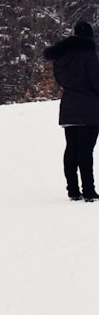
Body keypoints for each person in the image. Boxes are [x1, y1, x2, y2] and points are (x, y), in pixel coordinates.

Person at [43, 20, 99, 201]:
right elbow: (95, 80)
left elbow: (59, 79)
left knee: (71, 148)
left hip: (68, 105)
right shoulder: (88, 52)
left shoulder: (60, 55)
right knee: (86, 150)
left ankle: (73, 190)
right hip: (89, 107)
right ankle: (89, 191)